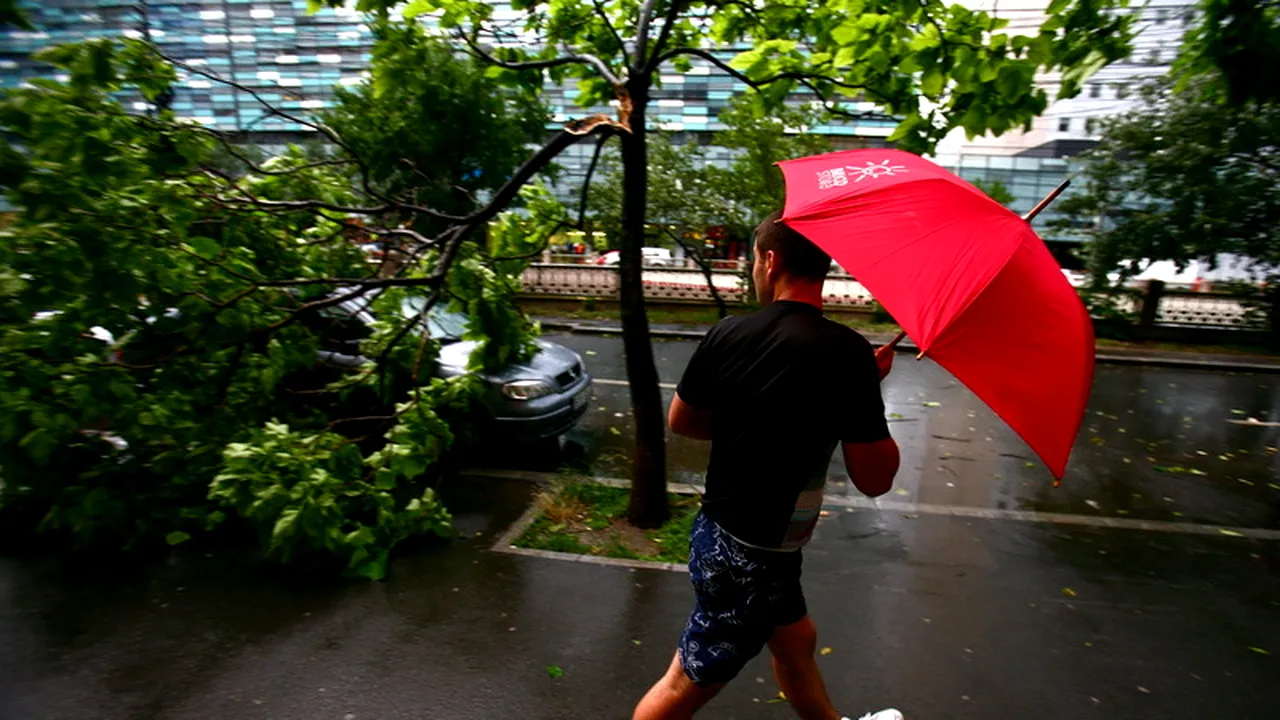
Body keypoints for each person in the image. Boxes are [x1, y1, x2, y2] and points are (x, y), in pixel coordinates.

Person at [633, 211, 903, 720]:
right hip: (751, 552)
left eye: (754, 260)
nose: (754, 271)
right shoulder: (846, 354)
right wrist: (860, 390)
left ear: (771, 260)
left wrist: (767, 415)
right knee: (685, 683)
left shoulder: (727, 334)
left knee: (796, 641)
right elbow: (875, 479)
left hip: (735, 537)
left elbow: (684, 421)